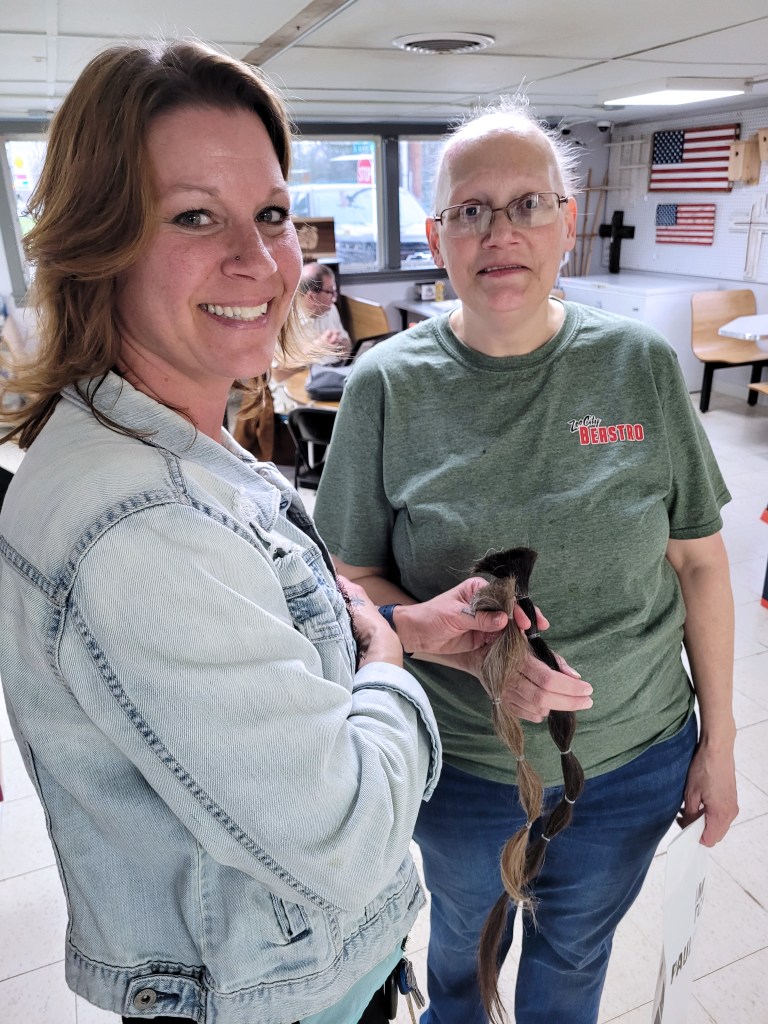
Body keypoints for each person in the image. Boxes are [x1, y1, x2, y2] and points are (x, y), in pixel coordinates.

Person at [0, 41, 513, 1024]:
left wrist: (398, 625)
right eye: (195, 216)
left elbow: (259, 625)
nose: (259, 259)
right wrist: (394, 676)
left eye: (271, 215)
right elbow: (346, 837)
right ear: (96, 240)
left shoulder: (162, 439)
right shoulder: (141, 523)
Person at [313, 99, 739, 1024]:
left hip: (631, 760)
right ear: (437, 234)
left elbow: (702, 565)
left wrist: (723, 743)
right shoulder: (386, 385)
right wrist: (461, 643)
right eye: (470, 209)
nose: (499, 233)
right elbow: (347, 583)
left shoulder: (638, 366)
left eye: (528, 204)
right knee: (467, 954)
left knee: (577, 951)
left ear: (568, 223)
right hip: (464, 770)